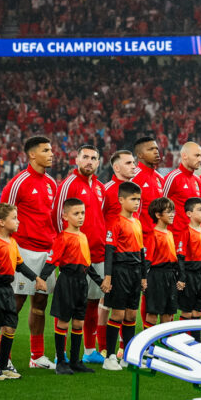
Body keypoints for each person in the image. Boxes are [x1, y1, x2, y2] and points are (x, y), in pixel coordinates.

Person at [1, 136, 58, 372]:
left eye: (51, 149)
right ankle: (4, 357)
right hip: (23, 249)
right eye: (46, 150)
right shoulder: (18, 183)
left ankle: (37, 356)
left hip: (46, 250)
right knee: (15, 303)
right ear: (32, 155)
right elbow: (2, 216)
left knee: (40, 305)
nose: (51, 153)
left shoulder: (52, 183)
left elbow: (53, 218)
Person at [0, 204, 46, 381]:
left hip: (8, 288)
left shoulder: (13, 243)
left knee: (10, 326)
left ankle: (5, 365)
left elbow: (20, 265)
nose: (18, 221)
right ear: (1, 222)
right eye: (14, 218)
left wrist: (36, 278)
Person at [39, 198, 105, 375]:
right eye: (76, 213)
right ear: (65, 216)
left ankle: (76, 361)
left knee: (78, 322)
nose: (81, 217)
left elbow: (87, 264)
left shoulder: (83, 236)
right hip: (66, 281)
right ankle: (61, 361)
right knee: (63, 321)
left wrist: (100, 281)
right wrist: (41, 278)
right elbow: (51, 260)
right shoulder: (62, 237)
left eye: (83, 213)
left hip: (82, 282)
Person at [53, 145, 105, 369]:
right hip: (72, 257)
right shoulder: (68, 184)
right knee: (66, 308)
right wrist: (65, 247)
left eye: (94, 158)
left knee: (89, 304)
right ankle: (61, 356)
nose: (90, 161)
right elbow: (56, 216)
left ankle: (86, 353)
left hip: (94, 253)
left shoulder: (100, 187)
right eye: (85, 157)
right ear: (76, 159)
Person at [92, 149, 136, 362]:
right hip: (109, 254)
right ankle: (103, 348)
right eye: (128, 163)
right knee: (105, 302)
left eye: (133, 162)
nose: (133, 165)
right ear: (116, 167)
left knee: (126, 307)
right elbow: (97, 218)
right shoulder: (106, 189)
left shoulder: (134, 192)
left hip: (130, 257)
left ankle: (122, 349)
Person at [100, 182, 147, 371]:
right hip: (120, 271)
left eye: (138, 199)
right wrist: (108, 276)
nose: (137, 203)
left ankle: (128, 356)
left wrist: (143, 276)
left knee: (131, 314)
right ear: (121, 200)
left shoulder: (137, 222)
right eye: (133, 199)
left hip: (136, 272)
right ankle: (110, 357)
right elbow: (109, 251)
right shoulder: (115, 222)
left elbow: (142, 251)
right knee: (118, 313)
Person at [176, 197, 201, 345]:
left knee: (198, 312)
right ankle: (180, 343)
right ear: (189, 213)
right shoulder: (185, 232)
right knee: (186, 312)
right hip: (189, 276)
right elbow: (180, 257)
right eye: (200, 210)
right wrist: (182, 278)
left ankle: (197, 343)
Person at [143, 198, 179, 329]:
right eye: (168, 211)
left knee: (168, 314)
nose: (172, 215)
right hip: (156, 276)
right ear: (158, 215)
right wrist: (144, 279)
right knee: (153, 313)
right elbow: (147, 260)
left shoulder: (169, 233)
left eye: (173, 211)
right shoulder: (153, 235)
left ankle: (164, 346)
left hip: (170, 276)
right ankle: (148, 346)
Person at [162, 142, 201, 236]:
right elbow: (160, 206)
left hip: (194, 236)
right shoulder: (173, 178)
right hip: (176, 236)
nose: (200, 159)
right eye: (197, 155)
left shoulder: (197, 180)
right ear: (184, 156)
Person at [130, 137, 164, 238]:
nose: (156, 152)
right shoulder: (132, 178)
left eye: (156, 149)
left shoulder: (160, 178)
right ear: (140, 155)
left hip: (160, 238)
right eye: (150, 149)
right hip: (142, 239)